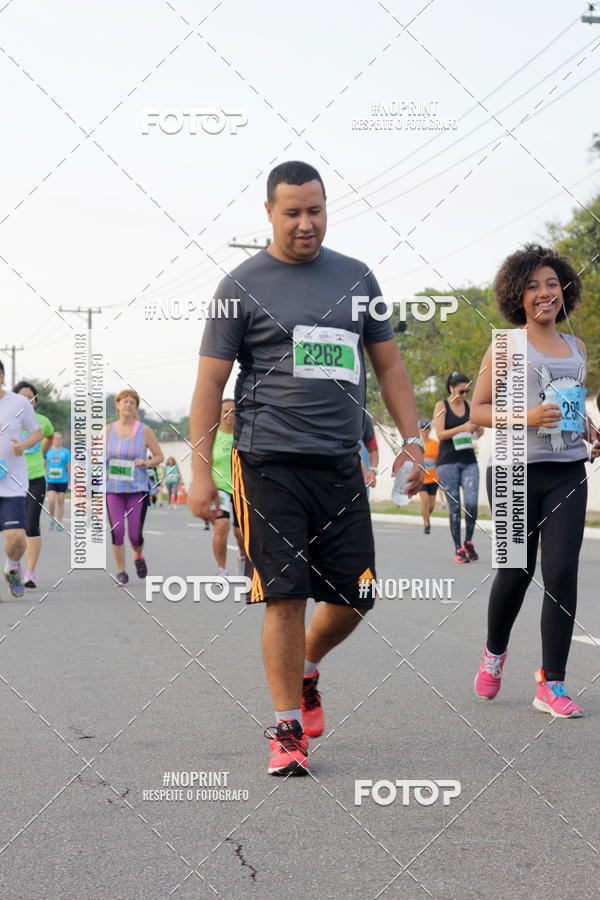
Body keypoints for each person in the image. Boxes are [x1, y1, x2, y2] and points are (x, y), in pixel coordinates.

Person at [188, 160, 424, 776]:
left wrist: (414, 441)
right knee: (284, 594)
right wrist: (200, 471)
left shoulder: (356, 277)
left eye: (315, 210)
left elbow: (392, 368)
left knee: (357, 596)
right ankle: (287, 728)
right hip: (266, 463)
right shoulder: (241, 286)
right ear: (269, 212)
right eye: (292, 212)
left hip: (340, 464)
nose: (305, 223)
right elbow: (210, 384)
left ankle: (308, 667)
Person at [470, 244, 597, 718]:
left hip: (566, 471)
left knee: (562, 572)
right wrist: (524, 417)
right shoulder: (506, 345)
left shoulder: (575, 347)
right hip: (511, 471)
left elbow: (569, 407)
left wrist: (589, 430)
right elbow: (475, 410)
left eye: (552, 284)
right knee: (515, 573)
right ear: (517, 297)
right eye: (533, 286)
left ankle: (552, 683)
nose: (545, 293)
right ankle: (494, 651)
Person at [106, 389, 164, 585]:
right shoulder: (107, 430)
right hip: (113, 488)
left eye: (132, 402)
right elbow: (95, 456)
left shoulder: (144, 430)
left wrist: (145, 463)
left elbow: (159, 456)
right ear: (117, 405)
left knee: (134, 536)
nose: (128, 405)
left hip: (137, 489)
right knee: (117, 531)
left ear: (136, 407)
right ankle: (121, 571)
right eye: (124, 402)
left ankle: (138, 555)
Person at [0, 361, 42, 598]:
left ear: (2, 376)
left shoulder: (19, 403)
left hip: (12, 482)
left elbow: (37, 432)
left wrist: (24, 445)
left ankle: (12, 567)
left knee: (17, 540)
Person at [433, 372, 484, 563]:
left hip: (469, 461)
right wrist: (462, 428)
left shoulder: (470, 406)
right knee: (455, 508)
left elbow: (477, 431)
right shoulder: (442, 406)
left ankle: (469, 541)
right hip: (448, 463)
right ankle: (458, 548)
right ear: (451, 388)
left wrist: (479, 430)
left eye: (467, 391)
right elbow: (440, 434)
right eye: (461, 391)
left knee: (471, 504)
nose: (464, 395)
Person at [14, 381, 54, 587]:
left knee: (31, 524)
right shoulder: (8, 419)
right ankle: (14, 564)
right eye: (22, 396)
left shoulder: (42, 421)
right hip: (11, 480)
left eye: (31, 397)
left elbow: (50, 435)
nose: (28, 400)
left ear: (36, 401)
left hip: (36, 479)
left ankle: (29, 572)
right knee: (13, 529)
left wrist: (43, 452)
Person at [209, 398, 245, 576]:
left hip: (241, 487)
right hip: (219, 487)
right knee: (221, 526)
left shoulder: (244, 435)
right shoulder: (212, 436)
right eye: (226, 411)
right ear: (219, 414)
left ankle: (241, 554)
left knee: (240, 533)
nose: (230, 415)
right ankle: (221, 569)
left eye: (234, 411)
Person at [45, 432, 71, 531]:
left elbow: (69, 466)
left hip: (62, 480)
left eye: (60, 438)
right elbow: (45, 465)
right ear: (52, 439)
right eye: (56, 438)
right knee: (51, 501)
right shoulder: (48, 451)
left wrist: (70, 480)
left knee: (61, 500)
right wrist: (44, 476)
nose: (58, 440)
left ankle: (59, 521)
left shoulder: (65, 452)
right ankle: (52, 518)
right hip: (51, 480)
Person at [418, 420, 438, 534]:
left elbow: (441, 458)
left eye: (427, 428)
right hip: (421, 478)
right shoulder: (417, 444)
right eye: (423, 428)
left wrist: (435, 461)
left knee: (431, 505)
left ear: (430, 430)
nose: (425, 430)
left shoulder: (435, 444)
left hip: (433, 478)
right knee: (424, 500)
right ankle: (426, 524)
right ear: (420, 430)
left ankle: (425, 516)